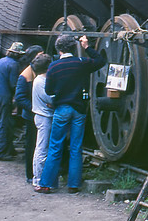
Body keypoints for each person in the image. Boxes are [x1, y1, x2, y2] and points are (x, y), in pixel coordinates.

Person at [36, 34, 105, 194]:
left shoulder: (53, 66)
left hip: (61, 110)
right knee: (76, 147)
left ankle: (46, 184)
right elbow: (101, 61)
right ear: (74, 48)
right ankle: (73, 184)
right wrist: (87, 47)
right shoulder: (81, 63)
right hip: (79, 109)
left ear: (58, 49)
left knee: (55, 146)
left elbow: (49, 90)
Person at [14, 45, 44, 182]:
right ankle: (30, 175)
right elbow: (19, 98)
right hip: (31, 115)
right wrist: (33, 107)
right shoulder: (25, 76)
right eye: (40, 55)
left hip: (40, 114)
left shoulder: (41, 71)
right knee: (31, 144)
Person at [0, 42, 25, 161]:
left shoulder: (1, 61)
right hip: (4, 96)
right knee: (4, 123)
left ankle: (9, 149)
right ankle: (0, 153)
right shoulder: (14, 65)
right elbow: (13, 84)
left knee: (7, 122)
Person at [30, 53, 54, 190]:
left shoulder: (40, 80)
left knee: (42, 148)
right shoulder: (41, 82)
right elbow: (50, 100)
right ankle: (38, 180)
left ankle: (40, 178)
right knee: (41, 149)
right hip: (44, 117)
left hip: (43, 115)